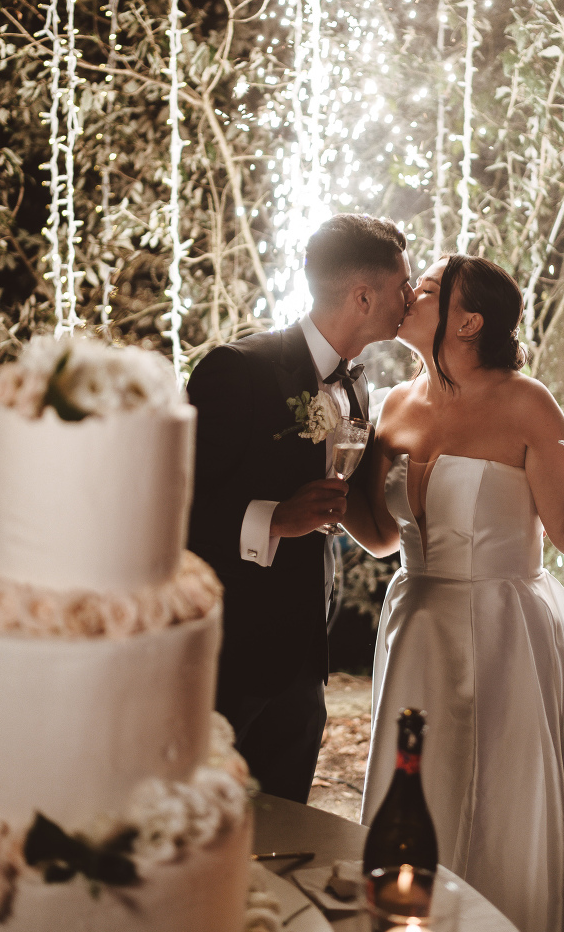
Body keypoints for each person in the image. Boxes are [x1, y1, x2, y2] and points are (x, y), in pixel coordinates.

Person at [344, 254, 564, 932]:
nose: (410, 292)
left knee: (501, 799)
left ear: (468, 322)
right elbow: (383, 535)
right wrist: (333, 488)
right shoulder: (391, 405)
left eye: (428, 288)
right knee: (416, 787)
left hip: (506, 631)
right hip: (416, 627)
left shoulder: (526, 402)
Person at [186, 214, 414, 803]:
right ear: (363, 296)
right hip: (225, 656)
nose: (410, 299)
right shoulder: (237, 370)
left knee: (287, 828)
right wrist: (275, 519)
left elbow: (368, 517)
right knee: (200, 823)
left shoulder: (358, 388)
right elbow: (175, 507)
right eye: (402, 286)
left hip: (304, 656)